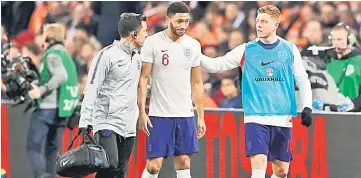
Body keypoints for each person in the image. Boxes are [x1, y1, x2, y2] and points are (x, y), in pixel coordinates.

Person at [201, 5, 313, 178]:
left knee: (282, 171)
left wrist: (307, 107)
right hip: (255, 116)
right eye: (257, 21)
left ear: (276, 24)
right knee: (258, 166)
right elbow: (217, 65)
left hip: (282, 116)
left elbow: (302, 79)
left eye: (264, 21)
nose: (259, 25)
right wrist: (193, 53)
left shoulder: (289, 50)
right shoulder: (246, 49)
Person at [138, 2, 206, 178]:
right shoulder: (152, 42)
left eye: (186, 21)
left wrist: (200, 116)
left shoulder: (193, 45)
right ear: (168, 19)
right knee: (153, 166)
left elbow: (197, 82)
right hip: (159, 114)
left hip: (185, 114)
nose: (183, 25)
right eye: (179, 21)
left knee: (184, 162)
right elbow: (143, 78)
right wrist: (142, 112)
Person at [78, 13, 148, 178]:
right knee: (110, 165)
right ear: (134, 34)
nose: (147, 35)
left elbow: (137, 87)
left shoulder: (137, 58)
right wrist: (85, 120)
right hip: (107, 121)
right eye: (144, 31)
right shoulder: (106, 55)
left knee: (119, 171)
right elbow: (92, 87)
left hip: (129, 124)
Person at [26, 23, 79, 178]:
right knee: (51, 150)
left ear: (49, 37)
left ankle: (43, 176)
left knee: (33, 147)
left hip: (47, 107)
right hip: (63, 110)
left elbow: (60, 76)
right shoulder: (67, 57)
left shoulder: (52, 54)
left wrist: (40, 90)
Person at [326, 23, 361, 112]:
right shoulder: (326, 61)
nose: (336, 42)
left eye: (339, 39)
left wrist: (354, 104)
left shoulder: (358, 61)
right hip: (329, 111)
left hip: (353, 114)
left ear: (350, 40)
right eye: (333, 39)